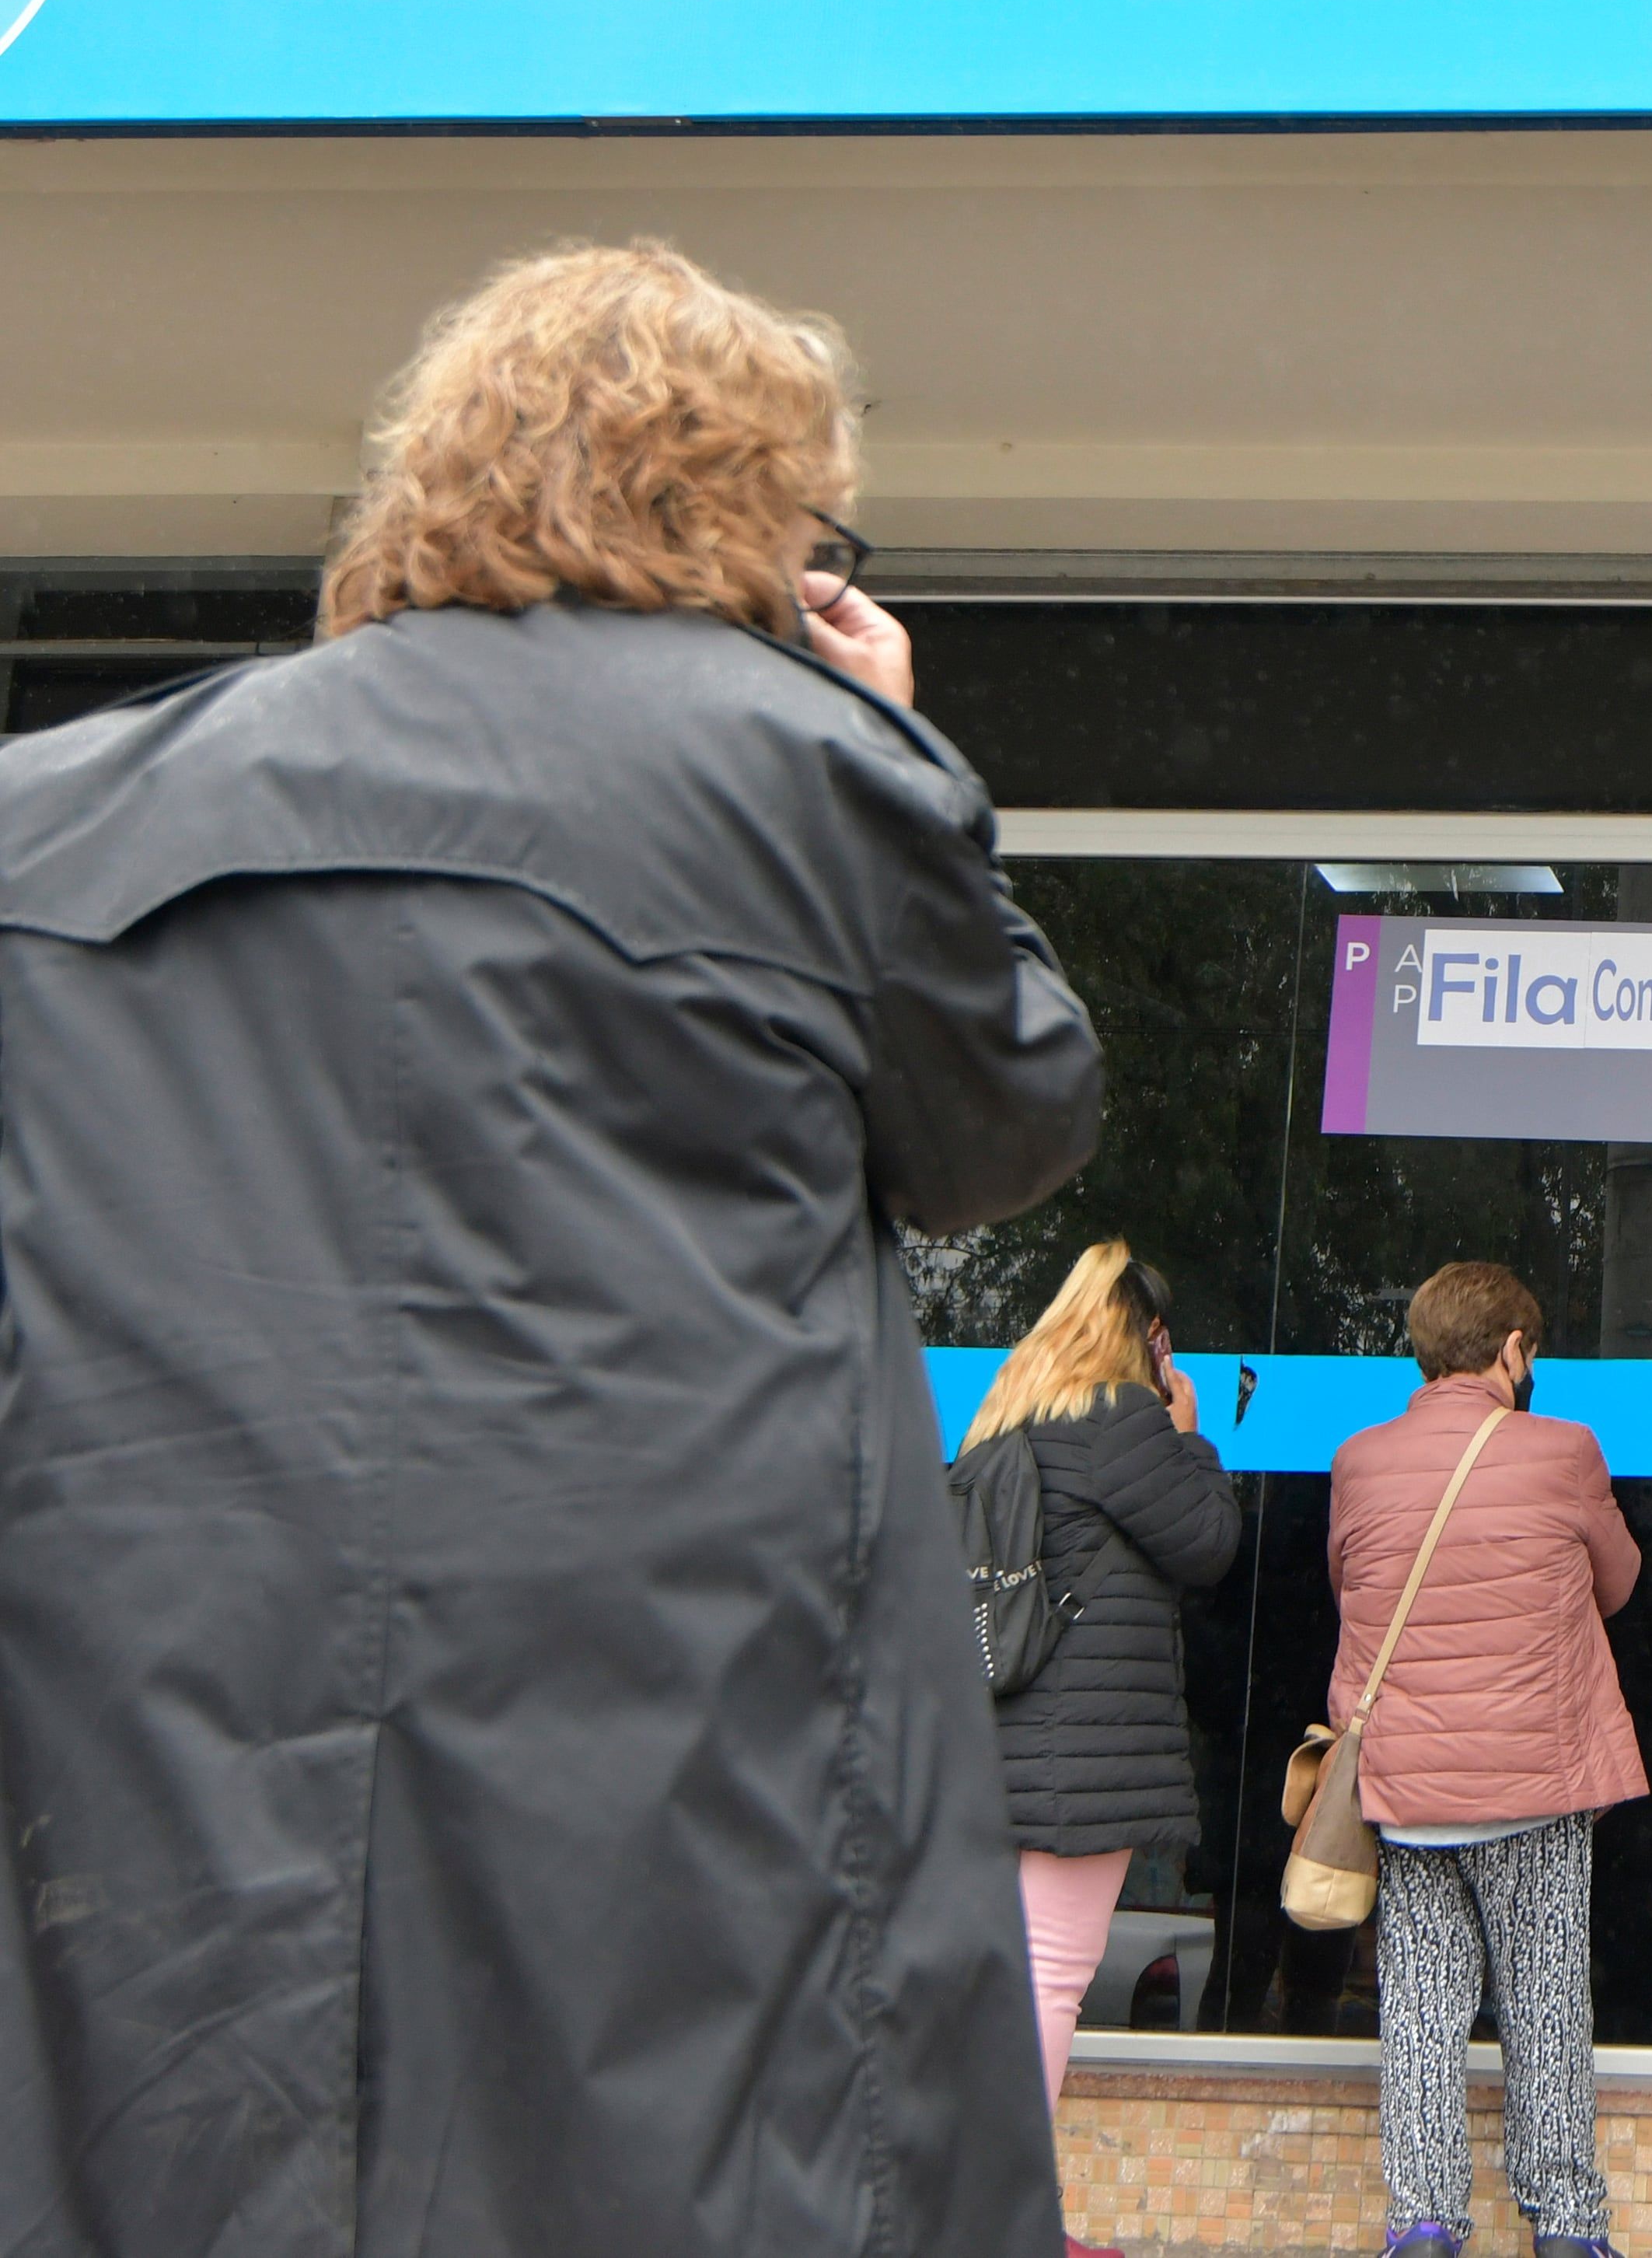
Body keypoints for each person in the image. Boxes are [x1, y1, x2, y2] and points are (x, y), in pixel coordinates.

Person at [0, 241, 1105, 2256]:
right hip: (689, 1746)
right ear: (756, 513)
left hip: (171, 1769)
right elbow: (999, 1129)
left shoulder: (57, 826)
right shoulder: (808, 775)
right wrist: (887, 742)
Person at [1332, 1263, 1647, 2258]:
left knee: (1421, 2011)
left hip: (1407, 1791)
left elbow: (1352, 1582)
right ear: (1513, 1351)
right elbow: (1620, 1582)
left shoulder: (1361, 1459)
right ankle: (1563, 2226)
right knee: (1544, 1999)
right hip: (1531, 1784)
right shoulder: (1563, 1452)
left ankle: (1424, 2223)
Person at [968, 1243, 1245, 2113]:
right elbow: (1207, 1543)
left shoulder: (1002, 1421)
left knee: (1003, 1987)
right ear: (1150, 1338)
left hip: (991, 1748)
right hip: (1079, 1765)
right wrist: (1191, 1436)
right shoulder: (1120, 1420)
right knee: (1051, 1979)